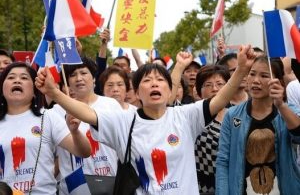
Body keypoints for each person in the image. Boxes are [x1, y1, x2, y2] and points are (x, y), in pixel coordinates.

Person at [35, 46, 255, 194]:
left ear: (171, 91)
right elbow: (87, 113)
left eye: (160, 80)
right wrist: (55, 94)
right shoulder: (124, 122)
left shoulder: (186, 116)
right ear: (137, 93)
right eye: (147, 80)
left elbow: (220, 99)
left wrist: (242, 69)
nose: (154, 84)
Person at [0, 62, 91, 194]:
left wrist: (75, 132)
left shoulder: (48, 117)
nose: (17, 80)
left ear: (34, 90)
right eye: (11, 77)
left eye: (24, 78)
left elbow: (84, 152)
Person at [216, 56, 300, 194]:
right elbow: (223, 161)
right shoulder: (232, 115)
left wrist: (281, 105)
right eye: (252, 73)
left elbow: (298, 136)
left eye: (264, 75)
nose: (256, 80)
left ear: (277, 82)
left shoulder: (289, 110)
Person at [54, 58, 122, 193]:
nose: (79, 78)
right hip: (73, 186)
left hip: (109, 180)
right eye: (73, 75)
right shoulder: (57, 110)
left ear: (94, 77)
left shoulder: (111, 105)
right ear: (67, 82)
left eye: (84, 73)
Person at [194, 65, 230, 194]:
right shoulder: (192, 116)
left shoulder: (238, 115)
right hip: (202, 187)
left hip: (232, 185)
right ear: (199, 91)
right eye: (208, 85)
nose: (215, 89)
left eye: (220, 84)